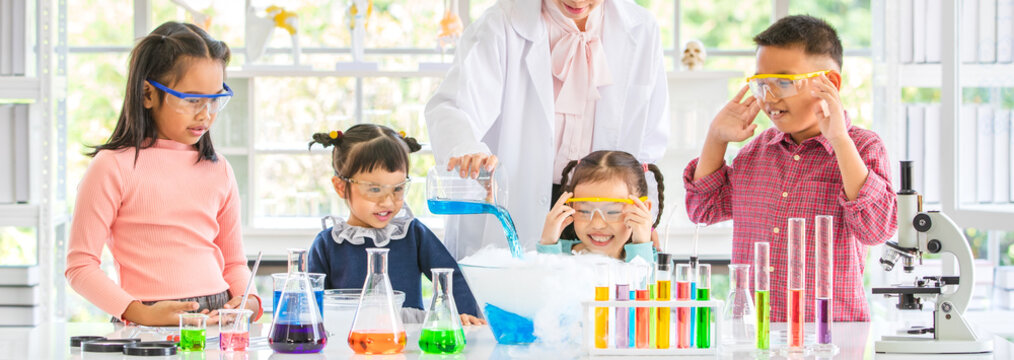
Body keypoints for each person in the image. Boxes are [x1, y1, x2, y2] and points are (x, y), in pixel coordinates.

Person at [683, 15, 897, 321]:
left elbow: (876, 229)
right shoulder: (754, 153)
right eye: (762, 84)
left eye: (784, 82)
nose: (769, 98)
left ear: (830, 83)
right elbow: (702, 209)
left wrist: (838, 138)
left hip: (833, 335)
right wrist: (716, 139)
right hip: (757, 336)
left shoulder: (863, 147)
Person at [425, 0, 670, 258]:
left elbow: (649, 142)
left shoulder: (641, 29)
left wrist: (646, 217)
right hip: (518, 198)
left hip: (601, 211)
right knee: (518, 291)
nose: (577, 1)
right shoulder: (502, 23)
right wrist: (467, 149)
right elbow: (452, 106)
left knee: (603, 292)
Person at [65, 22, 262, 325]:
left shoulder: (218, 168)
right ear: (147, 94)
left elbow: (234, 262)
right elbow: (80, 266)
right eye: (192, 99)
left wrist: (249, 300)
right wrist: (142, 313)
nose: (205, 113)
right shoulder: (112, 166)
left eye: (214, 99)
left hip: (219, 317)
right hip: (145, 318)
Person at [307, 124, 485, 325]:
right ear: (341, 187)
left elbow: (451, 278)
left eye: (398, 189)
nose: (388, 202)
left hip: (408, 339)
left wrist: (463, 316)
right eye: (375, 190)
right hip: (351, 340)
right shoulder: (327, 245)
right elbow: (311, 303)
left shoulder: (412, 234)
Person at [540, 150, 664, 262]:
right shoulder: (557, 255)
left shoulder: (655, 262)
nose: (597, 224)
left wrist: (641, 244)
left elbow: (644, 285)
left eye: (612, 212)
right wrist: (548, 244)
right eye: (584, 211)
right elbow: (543, 285)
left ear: (643, 209)